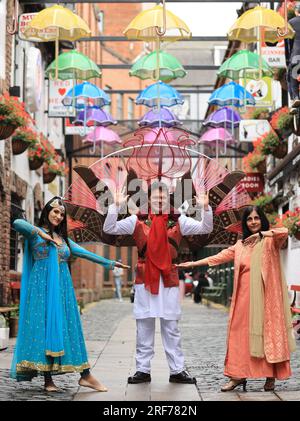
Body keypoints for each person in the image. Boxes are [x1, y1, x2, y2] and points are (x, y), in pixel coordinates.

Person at [11, 196, 129, 393]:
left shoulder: (63, 240)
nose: (58, 216)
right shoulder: (35, 235)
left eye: (62, 214)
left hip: (63, 291)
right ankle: (48, 380)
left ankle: (86, 375)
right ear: (47, 211)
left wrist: (110, 263)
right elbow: (16, 222)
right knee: (44, 330)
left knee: (69, 329)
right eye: (55, 211)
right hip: (41, 291)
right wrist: (41, 233)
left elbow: (84, 253)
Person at [103, 183, 213, 384]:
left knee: (170, 326)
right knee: (144, 325)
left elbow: (206, 227)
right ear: (149, 199)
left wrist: (205, 208)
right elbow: (109, 228)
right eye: (156, 196)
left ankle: (177, 370)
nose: (159, 199)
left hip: (169, 279)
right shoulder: (136, 221)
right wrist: (115, 206)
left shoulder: (180, 222)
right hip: (145, 279)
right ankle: (142, 370)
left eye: (163, 196)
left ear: (167, 199)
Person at [177, 206, 296, 392]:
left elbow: (285, 231)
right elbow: (218, 257)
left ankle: (270, 376)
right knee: (238, 334)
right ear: (245, 223)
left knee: (266, 332)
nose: (254, 222)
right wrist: (193, 263)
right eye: (249, 219)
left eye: (257, 218)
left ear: (262, 220)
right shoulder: (240, 246)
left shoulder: (270, 241)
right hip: (243, 297)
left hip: (266, 298)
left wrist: (263, 235)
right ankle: (237, 376)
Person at [285, 2, 300, 110]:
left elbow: (288, 44)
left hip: (297, 55)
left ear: (296, 11)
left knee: (292, 74)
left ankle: (295, 98)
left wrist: (288, 60)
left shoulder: (290, 23)